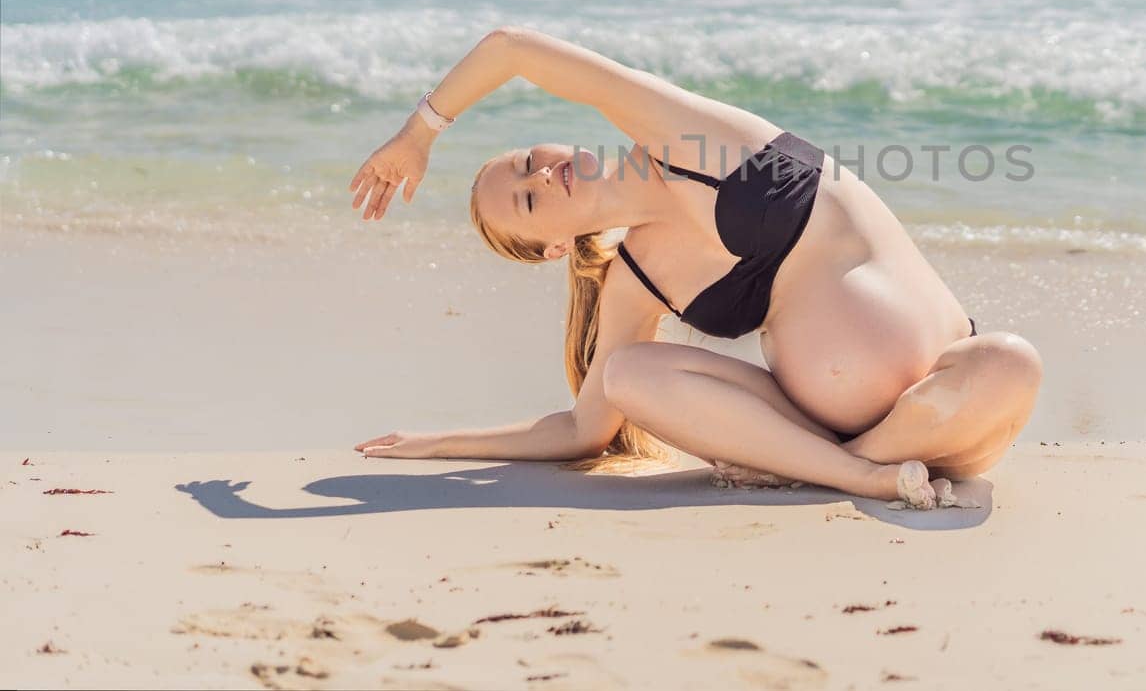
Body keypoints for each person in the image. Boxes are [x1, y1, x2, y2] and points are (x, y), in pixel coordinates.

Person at [347, 27, 1042, 509]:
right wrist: (435, 443)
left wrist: (419, 133)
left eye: (529, 159)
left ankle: (858, 465)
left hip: (953, 409)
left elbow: (512, 48)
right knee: (625, 374)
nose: (544, 173)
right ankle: (860, 476)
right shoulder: (637, 276)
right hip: (828, 441)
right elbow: (584, 429)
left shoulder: (681, 137)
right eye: (528, 200)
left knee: (1011, 361)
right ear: (555, 247)